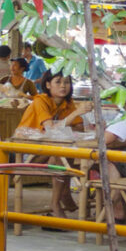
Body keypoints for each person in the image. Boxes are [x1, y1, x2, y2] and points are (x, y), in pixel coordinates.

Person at [20, 72, 86, 214]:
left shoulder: (67, 103)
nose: (63, 86)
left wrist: (62, 125)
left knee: (62, 154)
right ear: (48, 85)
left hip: (50, 149)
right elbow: (51, 129)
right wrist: (74, 115)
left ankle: (64, 194)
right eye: (58, 82)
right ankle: (57, 201)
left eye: (67, 82)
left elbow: (80, 128)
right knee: (60, 155)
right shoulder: (40, 101)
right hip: (28, 152)